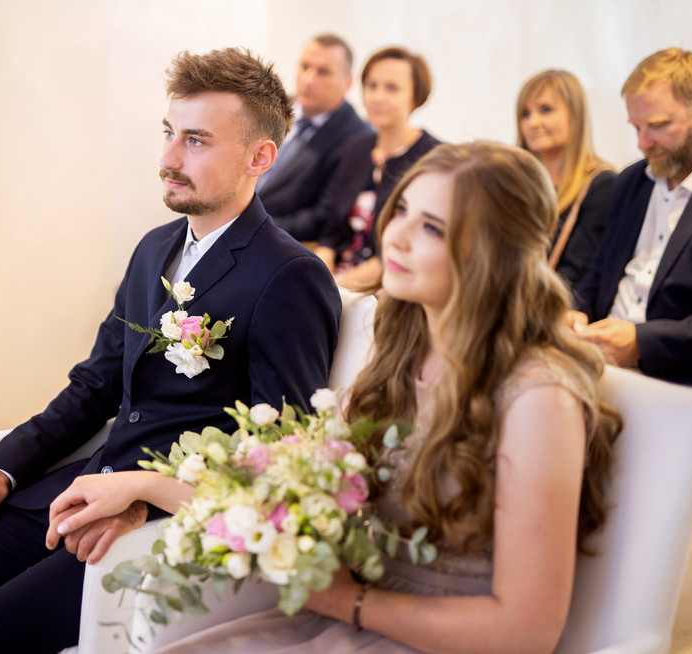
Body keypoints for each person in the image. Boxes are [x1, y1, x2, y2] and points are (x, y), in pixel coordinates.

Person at [0, 47, 342, 654]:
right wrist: (2, 469)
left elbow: (283, 454)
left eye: (195, 141)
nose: (167, 159)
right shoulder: (153, 248)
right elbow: (94, 388)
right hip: (78, 488)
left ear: (258, 157)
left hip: (154, 525)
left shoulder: (289, 276)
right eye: (169, 133)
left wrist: (143, 497)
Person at [83, 142, 619, 654]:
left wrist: (347, 601)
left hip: (437, 635)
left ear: (495, 256)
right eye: (402, 209)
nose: (396, 236)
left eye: (431, 227)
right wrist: (146, 488)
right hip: (344, 614)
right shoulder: (398, 352)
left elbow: (527, 633)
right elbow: (276, 490)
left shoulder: (538, 396)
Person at [571, 48, 692, 387]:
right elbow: (600, 270)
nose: (643, 143)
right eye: (636, 127)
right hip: (603, 364)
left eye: (658, 126)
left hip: (676, 381)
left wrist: (642, 341)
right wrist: (575, 311)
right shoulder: (631, 181)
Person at [314, 46, 441, 287]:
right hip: (337, 281)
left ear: (416, 97)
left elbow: (405, 248)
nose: (378, 97)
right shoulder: (355, 148)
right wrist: (320, 273)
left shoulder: (433, 158)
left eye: (392, 88)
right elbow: (329, 232)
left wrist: (337, 286)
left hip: (390, 285)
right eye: (372, 86)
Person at [256, 33, 372, 243]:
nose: (308, 80)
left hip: (274, 241)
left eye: (323, 72)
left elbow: (322, 219)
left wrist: (251, 225)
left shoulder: (358, 139)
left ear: (347, 82)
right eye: (305, 67)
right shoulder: (275, 109)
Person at [516, 69, 617, 288]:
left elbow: (578, 275)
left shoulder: (601, 184)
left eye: (545, 110)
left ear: (575, 114)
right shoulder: (518, 183)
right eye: (525, 113)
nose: (533, 122)